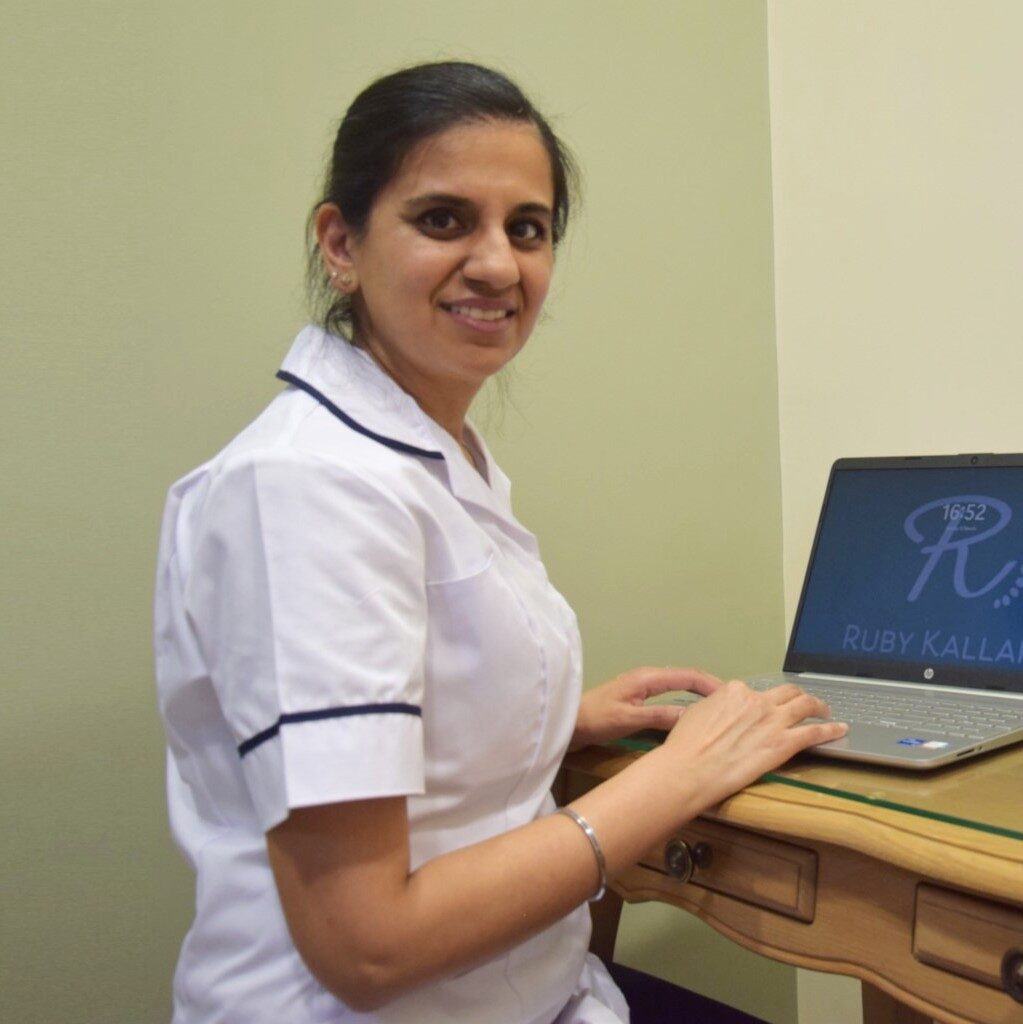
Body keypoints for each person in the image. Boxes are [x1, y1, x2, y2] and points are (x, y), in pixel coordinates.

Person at [153, 61, 846, 1024]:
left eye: (527, 228)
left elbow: (389, 725)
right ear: (340, 242)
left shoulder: (427, 456)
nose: (497, 263)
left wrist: (550, 714)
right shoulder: (307, 488)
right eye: (443, 219)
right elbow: (367, 944)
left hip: (526, 991)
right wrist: (679, 776)